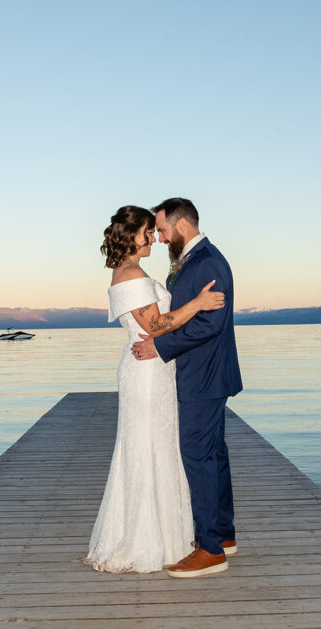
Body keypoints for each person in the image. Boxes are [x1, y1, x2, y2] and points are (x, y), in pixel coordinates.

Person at [85, 205, 225, 573]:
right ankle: (147, 540)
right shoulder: (129, 275)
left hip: (155, 368)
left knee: (161, 447)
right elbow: (159, 324)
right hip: (147, 371)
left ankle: (172, 537)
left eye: (156, 230)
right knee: (148, 447)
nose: (154, 238)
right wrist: (198, 303)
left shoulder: (133, 272)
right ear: (134, 236)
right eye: (149, 232)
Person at [132, 197, 243, 578]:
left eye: (161, 230)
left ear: (181, 227)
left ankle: (210, 549)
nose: (160, 239)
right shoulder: (197, 260)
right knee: (213, 454)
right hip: (208, 373)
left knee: (198, 457)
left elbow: (208, 325)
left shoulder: (207, 262)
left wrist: (159, 346)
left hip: (203, 374)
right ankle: (224, 534)